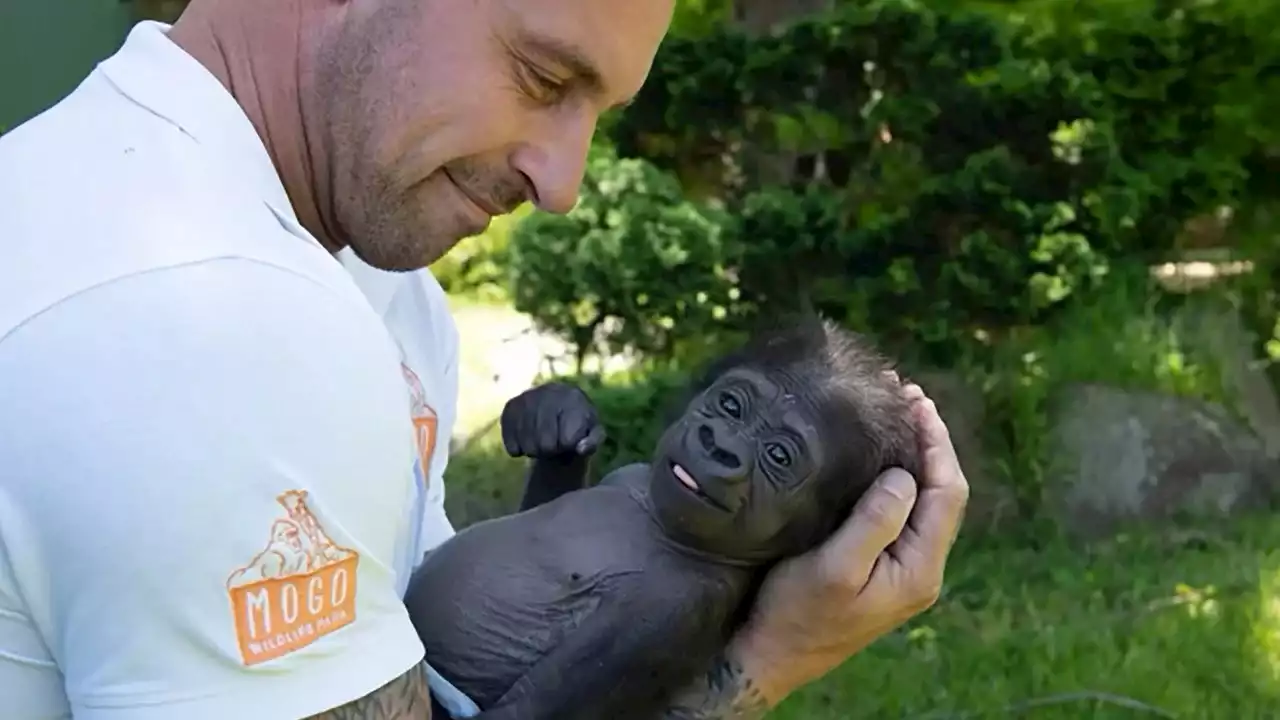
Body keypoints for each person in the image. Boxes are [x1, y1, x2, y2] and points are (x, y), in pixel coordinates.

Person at [0, 0, 969, 718]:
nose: (563, 182)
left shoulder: (373, 281)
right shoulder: (214, 314)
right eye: (544, 79)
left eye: (597, 113)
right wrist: (766, 663)